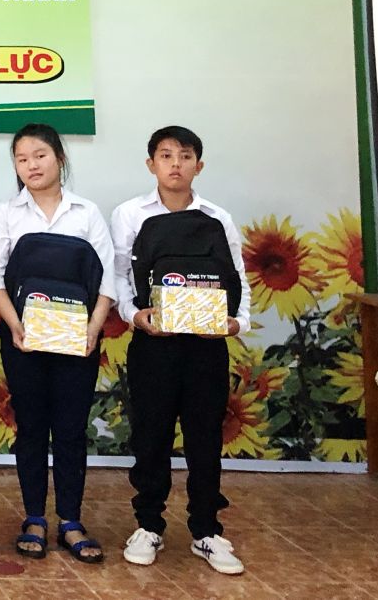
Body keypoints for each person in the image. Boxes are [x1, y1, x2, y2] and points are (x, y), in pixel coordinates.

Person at [112, 126, 249, 576]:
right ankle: (148, 525)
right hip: (153, 345)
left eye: (185, 156)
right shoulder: (129, 214)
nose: (176, 164)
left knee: (205, 438)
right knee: (150, 435)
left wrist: (236, 323)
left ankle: (207, 530)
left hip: (207, 348)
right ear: (150, 164)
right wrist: (136, 316)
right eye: (166, 155)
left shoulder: (218, 218)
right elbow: (119, 276)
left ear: (199, 166)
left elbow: (238, 278)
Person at [0, 123, 114, 565]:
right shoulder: (6, 214)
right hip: (24, 340)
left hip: (78, 341)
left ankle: (71, 520)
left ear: (59, 158)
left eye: (39, 155)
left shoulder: (86, 213)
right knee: (32, 427)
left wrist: (93, 328)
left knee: (71, 429)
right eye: (22, 159)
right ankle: (34, 517)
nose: (31, 165)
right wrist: (16, 325)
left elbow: (107, 278)